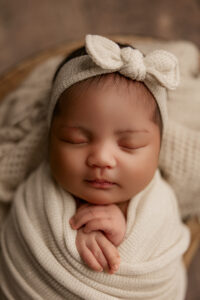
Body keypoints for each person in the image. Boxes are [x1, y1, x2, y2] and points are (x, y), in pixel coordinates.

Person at [0, 35, 190, 300]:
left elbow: (159, 262)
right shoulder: (36, 195)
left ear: (159, 147)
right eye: (75, 140)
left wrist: (122, 231)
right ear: (49, 138)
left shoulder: (159, 205)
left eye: (130, 144)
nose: (101, 158)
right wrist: (71, 236)